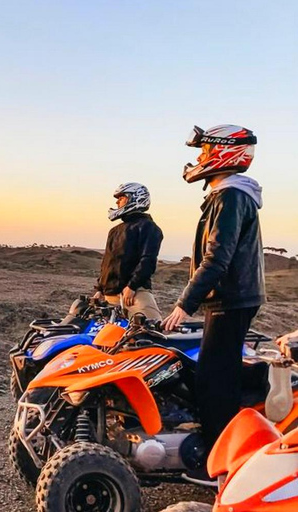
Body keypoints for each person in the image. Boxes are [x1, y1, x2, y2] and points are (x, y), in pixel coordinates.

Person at [161, 124, 266, 486]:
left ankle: (219, 466)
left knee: (214, 381)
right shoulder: (226, 195)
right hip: (229, 297)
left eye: (206, 151)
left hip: (232, 297)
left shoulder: (232, 196)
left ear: (224, 153)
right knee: (214, 372)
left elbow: (217, 258)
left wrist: (184, 305)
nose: (200, 158)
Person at [93, 182, 164, 321]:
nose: (118, 202)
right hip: (110, 296)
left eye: (121, 198)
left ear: (135, 197)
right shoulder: (114, 231)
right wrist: (99, 290)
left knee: (153, 332)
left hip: (135, 294)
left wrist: (132, 286)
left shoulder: (149, 227)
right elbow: (107, 263)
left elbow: (148, 260)